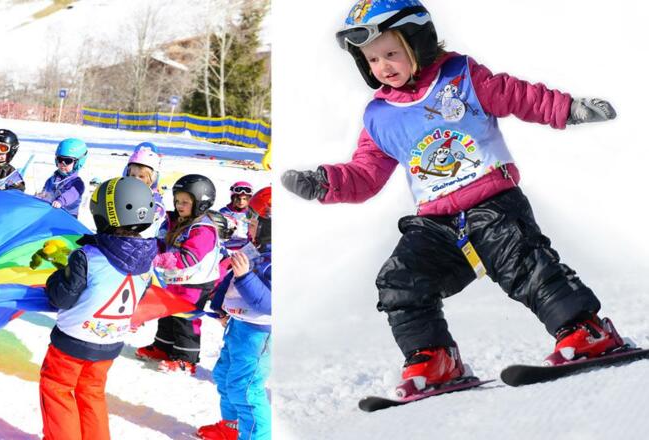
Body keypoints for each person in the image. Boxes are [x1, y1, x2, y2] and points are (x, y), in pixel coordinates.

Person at [281, 0, 622, 394]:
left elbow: (518, 96)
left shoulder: (461, 78)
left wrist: (569, 109)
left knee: (523, 265)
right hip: (437, 223)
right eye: (373, 60)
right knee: (400, 281)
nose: (383, 66)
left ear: (418, 43)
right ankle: (435, 358)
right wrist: (325, 183)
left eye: (391, 53)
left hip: (493, 205)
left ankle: (587, 329)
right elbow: (366, 174)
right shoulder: (380, 116)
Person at [37, 177, 158, 440]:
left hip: (72, 343)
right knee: (91, 392)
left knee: (58, 389)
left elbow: (61, 298)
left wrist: (57, 276)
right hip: (110, 343)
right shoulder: (148, 261)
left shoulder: (88, 256)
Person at [199, 187, 272, 440]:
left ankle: (255, 436)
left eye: (253, 221)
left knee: (247, 390)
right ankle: (231, 428)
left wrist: (246, 277)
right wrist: (219, 305)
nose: (248, 227)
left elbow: (271, 303)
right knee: (225, 376)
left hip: (258, 335)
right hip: (238, 326)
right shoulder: (255, 248)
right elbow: (231, 278)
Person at [136, 174, 224, 375]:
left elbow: (188, 258)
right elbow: (161, 243)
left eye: (185, 202)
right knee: (167, 312)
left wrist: (159, 259)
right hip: (174, 279)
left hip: (195, 283)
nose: (179, 205)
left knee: (185, 318)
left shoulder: (204, 229)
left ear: (201, 204)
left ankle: (187, 358)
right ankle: (164, 347)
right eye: (177, 201)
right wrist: (147, 250)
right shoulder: (175, 221)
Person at [121, 142, 165, 236]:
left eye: (141, 176)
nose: (136, 179)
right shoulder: (124, 191)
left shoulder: (153, 197)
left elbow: (159, 210)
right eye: (133, 175)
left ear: (152, 179)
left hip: (144, 239)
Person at [35, 138, 87, 217]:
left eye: (68, 161)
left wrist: (61, 201)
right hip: (50, 213)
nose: (63, 164)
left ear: (78, 163)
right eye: (60, 159)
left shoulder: (77, 183)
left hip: (67, 217)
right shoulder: (52, 180)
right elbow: (46, 193)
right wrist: (41, 196)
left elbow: (72, 194)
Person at [218, 181, 254, 251]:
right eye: (238, 199)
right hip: (227, 247)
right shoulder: (225, 212)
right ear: (233, 198)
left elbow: (252, 230)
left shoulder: (250, 213)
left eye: (244, 199)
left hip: (245, 247)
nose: (241, 202)